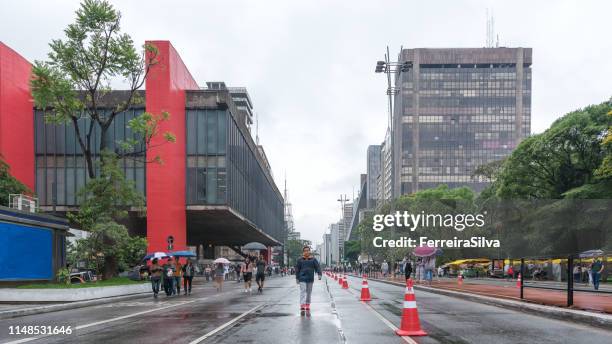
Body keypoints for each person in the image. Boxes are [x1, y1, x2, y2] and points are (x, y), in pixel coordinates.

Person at [295, 245, 322, 316]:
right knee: (302, 291)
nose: (306, 252)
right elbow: (297, 269)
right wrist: (297, 278)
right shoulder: (300, 260)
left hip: (310, 278)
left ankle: (307, 305)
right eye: (305, 251)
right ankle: (302, 306)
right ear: (303, 252)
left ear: (310, 251)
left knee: (309, 293)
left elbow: (317, 267)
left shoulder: (313, 259)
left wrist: (319, 274)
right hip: (302, 278)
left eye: (308, 250)